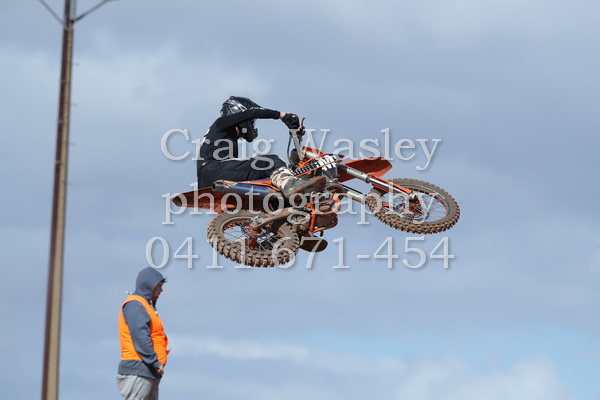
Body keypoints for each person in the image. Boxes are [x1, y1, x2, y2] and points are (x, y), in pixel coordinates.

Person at [196, 96, 325, 197]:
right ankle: (289, 185)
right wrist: (282, 116)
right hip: (214, 170)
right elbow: (252, 112)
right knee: (270, 162)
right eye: (251, 121)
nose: (252, 124)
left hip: (209, 176)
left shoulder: (224, 135)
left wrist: (296, 135)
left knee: (263, 175)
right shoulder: (220, 123)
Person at [117, 267, 169, 400]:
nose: (161, 290)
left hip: (148, 370)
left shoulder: (145, 306)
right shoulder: (135, 305)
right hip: (138, 370)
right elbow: (140, 337)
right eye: (159, 286)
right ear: (149, 286)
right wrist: (155, 362)